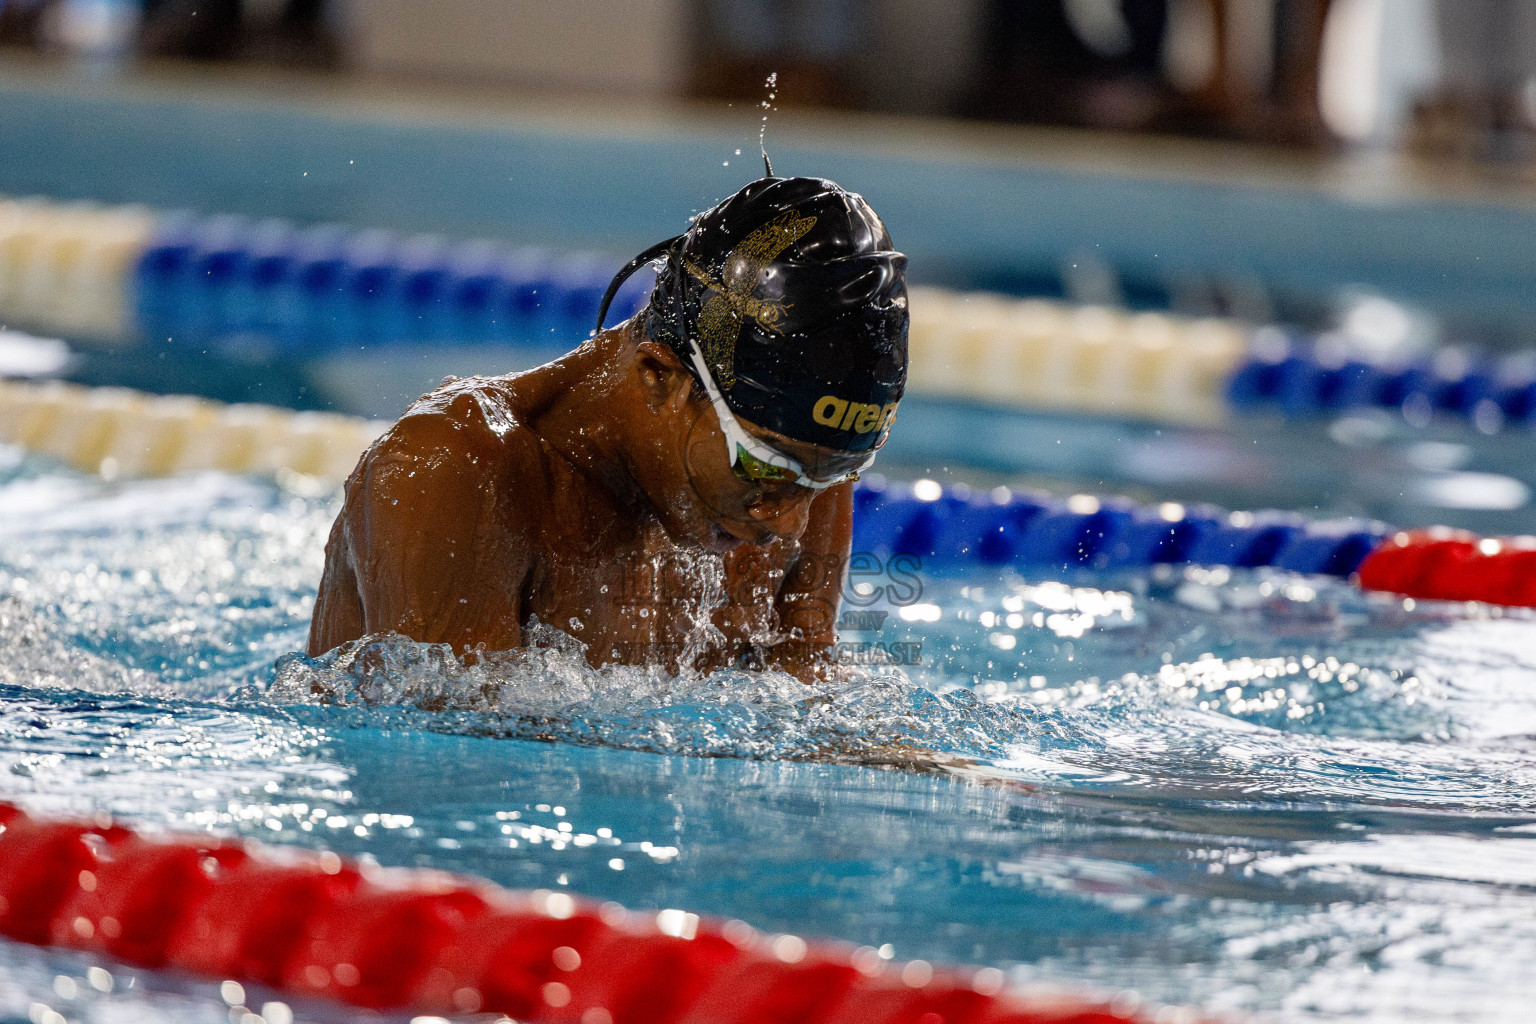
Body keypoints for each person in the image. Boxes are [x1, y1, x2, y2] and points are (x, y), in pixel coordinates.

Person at [307, 173, 909, 683]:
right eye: (763, 466)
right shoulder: (456, 476)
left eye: (840, 474)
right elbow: (453, 779)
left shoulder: (803, 463)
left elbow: (804, 712)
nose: (789, 524)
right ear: (659, 378)